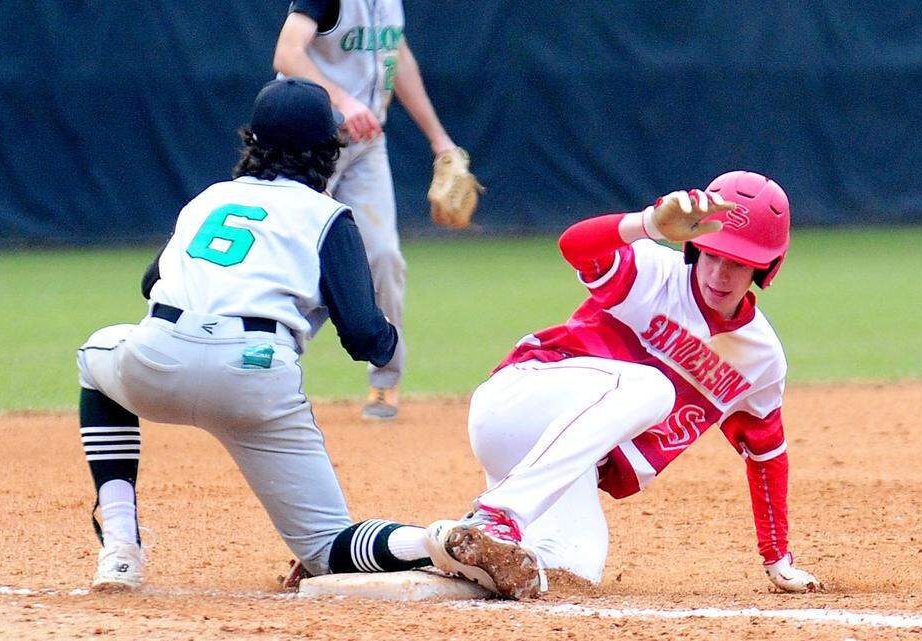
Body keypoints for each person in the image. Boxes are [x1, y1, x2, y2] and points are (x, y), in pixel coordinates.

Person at [74, 78, 435, 591]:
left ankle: (120, 549)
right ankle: (436, 540)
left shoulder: (211, 198)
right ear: (329, 151)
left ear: (252, 143)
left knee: (95, 357)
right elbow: (363, 337)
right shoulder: (327, 217)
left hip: (158, 360)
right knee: (327, 547)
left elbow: (150, 282)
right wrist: (391, 344)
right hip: (255, 376)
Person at [423, 172, 823, 599]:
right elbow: (573, 246)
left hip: (558, 465)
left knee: (570, 570)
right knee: (655, 389)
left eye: (739, 263)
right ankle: (497, 513)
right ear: (694, 245)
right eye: (712, 255)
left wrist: (778, 559)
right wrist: (648, 225)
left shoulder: (760, 357)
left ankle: (433, 545)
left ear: (766, 267)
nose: (720, 275)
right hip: (517, 404)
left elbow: (765, 454)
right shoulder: (653, 271)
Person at [272, 0, 468, 420]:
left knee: (383, 257)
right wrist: (342, 99)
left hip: (365, 145)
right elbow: (287, 53)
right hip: (307, 141)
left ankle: (385, 379)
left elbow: (396, 54)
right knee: (287, 260)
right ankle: (267, 373)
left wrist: (439, 139)